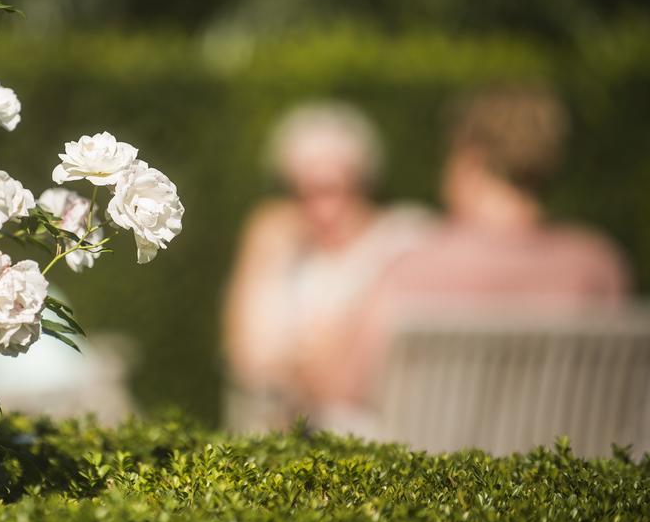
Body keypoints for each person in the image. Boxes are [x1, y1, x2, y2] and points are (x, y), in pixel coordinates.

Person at [300, 84, 631, 410]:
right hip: (564, 462)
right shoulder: (599, 264)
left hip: (443, 461)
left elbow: (342, 388)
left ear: (470, 161)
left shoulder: (416, 271)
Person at [223, 102, 433, 432]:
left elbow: (366, 374)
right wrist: (262, 252)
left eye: (332, 189)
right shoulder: (284, 247)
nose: (321, 209)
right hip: (297, 429)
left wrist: (305, 363)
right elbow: (247, 358)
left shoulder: (403, 239)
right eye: (302, 192)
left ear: (364, 183)